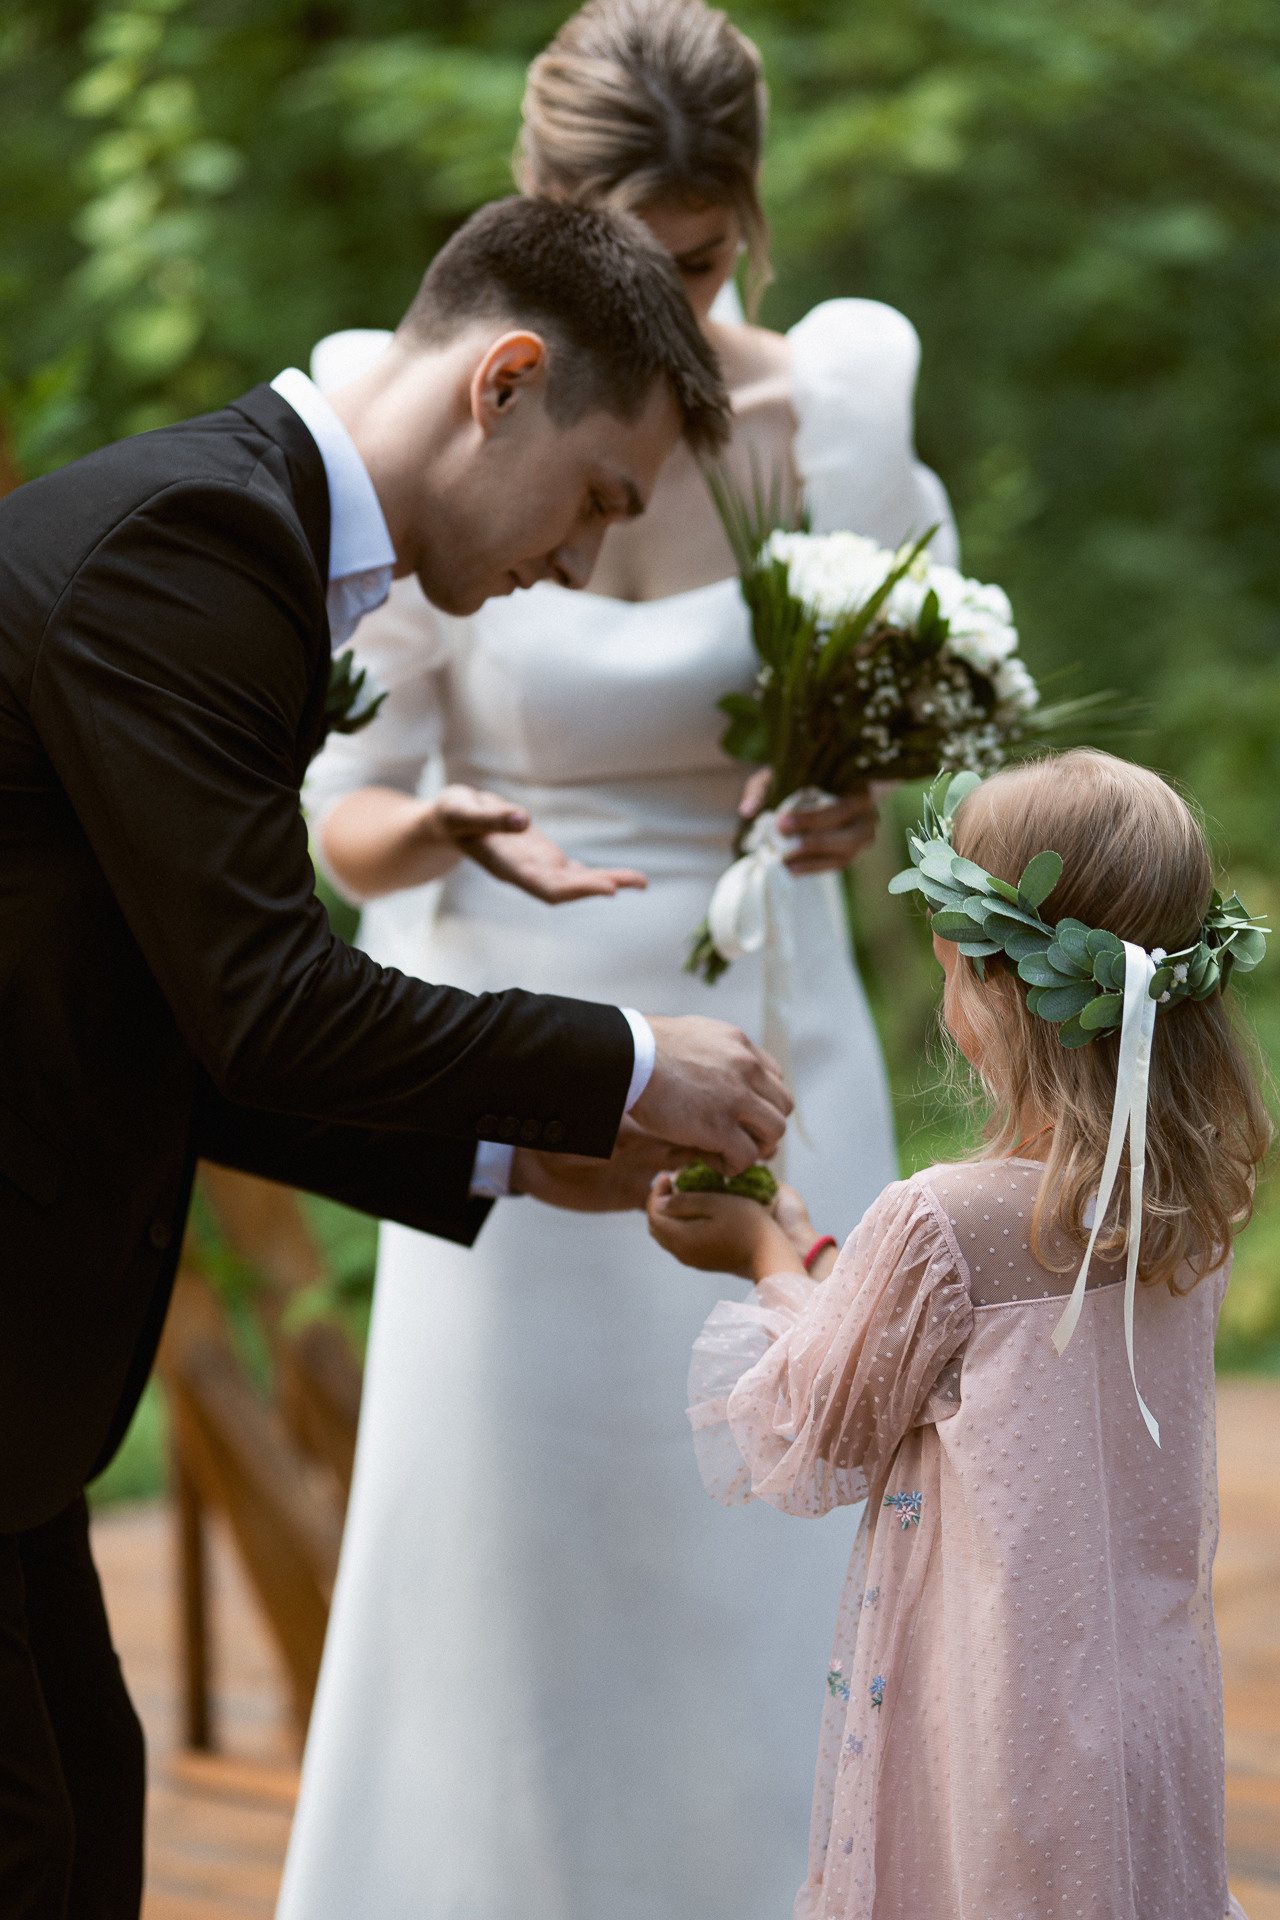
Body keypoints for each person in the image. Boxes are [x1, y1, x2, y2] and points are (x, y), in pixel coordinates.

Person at [0, 194, 798, 1920]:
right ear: (504, 380)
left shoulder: (253, 542)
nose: (583, 562)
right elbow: (271, 1003)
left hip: (22, 1374)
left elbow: (193, 1026)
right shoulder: (188, 549)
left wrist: (525, 1154)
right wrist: (623, 1055)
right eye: (595, 498)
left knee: (83, 1812)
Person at [278, 4, 956, 1915]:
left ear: (749, 221)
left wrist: (850, 811)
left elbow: (901, 734)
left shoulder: (829, 415)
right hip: (520, 1024)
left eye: (697, 266)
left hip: (766, 1018)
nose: (659, 311)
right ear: (533, 217)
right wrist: (450, 834)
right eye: (619, 263)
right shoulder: (425, 413)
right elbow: (346, 815)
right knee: (518, 1543)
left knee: (781, 1512)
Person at [652, 748, 1270, 1920]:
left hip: (992, 1720)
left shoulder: (941, 1217)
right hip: (1142, 1701)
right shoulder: (1188, 1204)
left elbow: (813, 1426)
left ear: (985, 986)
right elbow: (949, 1364)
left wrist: (762, 1255)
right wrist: (827, 1263)